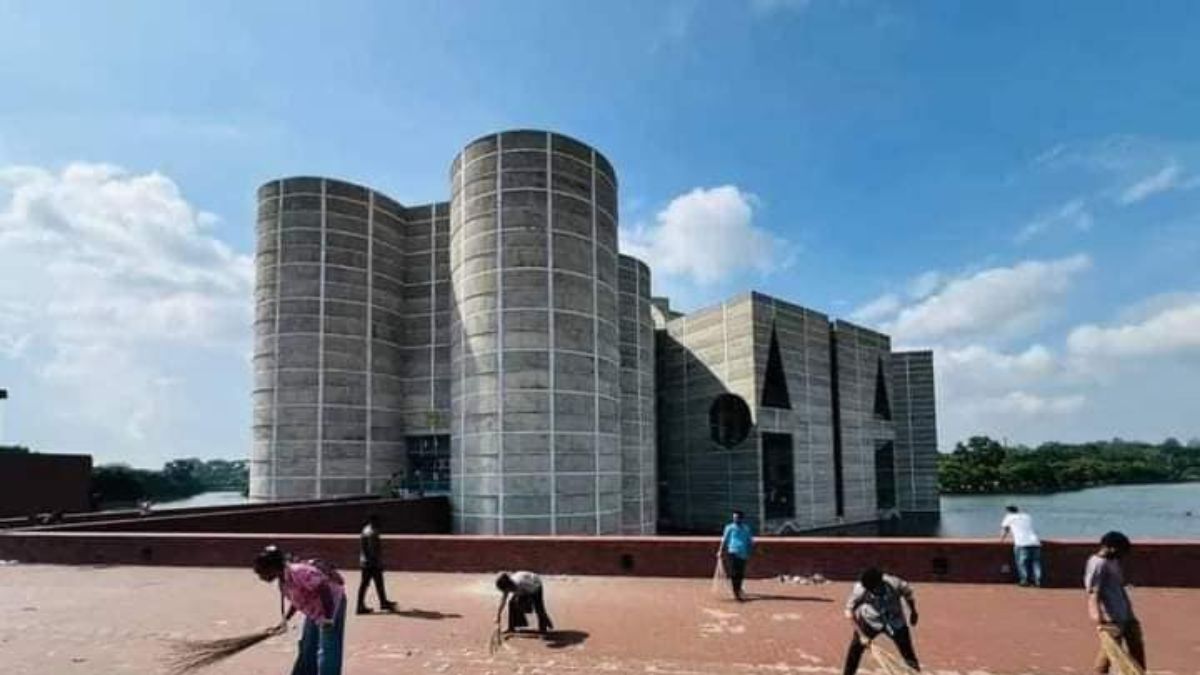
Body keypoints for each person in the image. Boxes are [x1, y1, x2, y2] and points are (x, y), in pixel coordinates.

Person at [254, 546, 347, 675]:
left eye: (262, 572)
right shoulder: (284, 581)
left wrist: (328, 618)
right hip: (314, 608)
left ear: (273, 567)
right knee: (308, 644)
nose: (261, 576)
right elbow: (297, 601)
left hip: (331, 604)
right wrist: (284, 620)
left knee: (328, 647)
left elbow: (324, 588)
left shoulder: (299, 572)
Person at [1086, 531, 1145, 674]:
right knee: (1109, 653)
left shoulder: (1113, 561)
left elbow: (1118, 586)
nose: (1122, 555)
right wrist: (1097, 617)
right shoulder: (1098, 564)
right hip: (1110, 617)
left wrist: (1129, 611)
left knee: (1136, 647)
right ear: (1110, 547)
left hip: (1125, 612)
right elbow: (1093, 592)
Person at [843, 567, 921, 675]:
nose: (874, 592)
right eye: (871, 590)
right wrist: (861, 635)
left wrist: (913, 612)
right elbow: (849, 611)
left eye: (876, 588)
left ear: (881, 583)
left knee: (908, 654)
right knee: (855, 650)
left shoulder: (895, 583)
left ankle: (915, 673)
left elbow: (909, 595)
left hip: (895, 620)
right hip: (870, 620)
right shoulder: (860, 589)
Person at [356, 514, 397, 614]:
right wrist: (378, 563)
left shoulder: (366, 529)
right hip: (370, 563)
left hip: (366, 562)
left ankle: (382, 602)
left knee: (375, 583)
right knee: (367, 584)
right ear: (374, 521)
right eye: (378, 521)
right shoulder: (372, 533)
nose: (380, 524)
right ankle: (360, 606)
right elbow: (373, 550)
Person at [1001, 505, 1043, 587]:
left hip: (1022, 543)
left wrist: (1002, 539)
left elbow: (1005, 530)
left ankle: (1025, 581)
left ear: (1007, 511)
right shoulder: (1027, 516)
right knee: (1036, 563)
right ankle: (1038, 581)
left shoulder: (1009, 517)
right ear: (1017, 510)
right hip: (1035, 542)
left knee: (1022, 563)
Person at [716, 509, 754, 601]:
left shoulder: (746, 528)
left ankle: (738, 588)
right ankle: (735, 590)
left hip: (743, 552)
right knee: (734, 572)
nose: (735, 519)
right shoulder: (729, 528)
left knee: (740, 572)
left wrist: (749, 551)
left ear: (741, 518)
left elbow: (750, 541)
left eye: (737, 518)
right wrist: (720, 550)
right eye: (734, 518)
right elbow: (724, 540)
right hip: (733, 551)